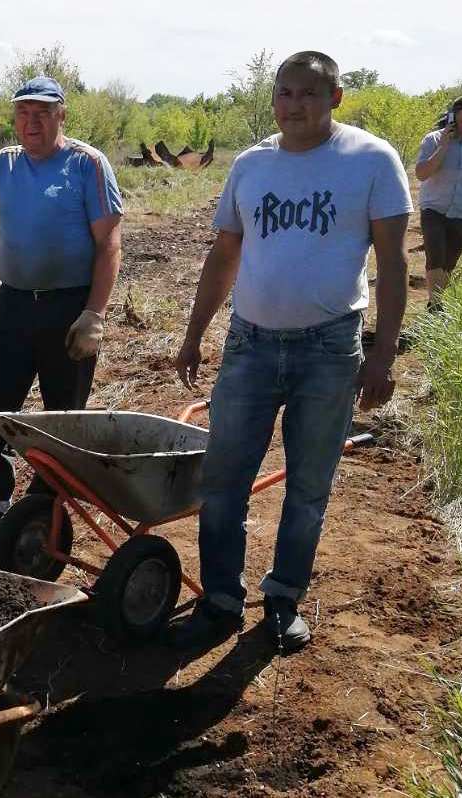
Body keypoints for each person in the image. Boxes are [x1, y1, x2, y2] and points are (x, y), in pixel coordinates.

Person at [172, 51, 412, 652]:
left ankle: (282, 599)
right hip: (250, 343)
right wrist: (196, 331)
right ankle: (222, 599)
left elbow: (392, 262)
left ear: (335, 98)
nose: (293, 105)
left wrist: (381, 355)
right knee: (224, 479)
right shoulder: (252, 165)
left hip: (329, 347)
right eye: (284, 92)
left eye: (308, 93)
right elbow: (224, 254)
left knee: (308, 485)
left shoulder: (371, 160)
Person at [0, 76, 124, 544]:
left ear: (62, 115)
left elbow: (109, 243)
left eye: (41, 113)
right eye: (22, 114)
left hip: (69, 308)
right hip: (12, 306)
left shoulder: (87, 165)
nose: (30, 123)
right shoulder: (4, 166)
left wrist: (94, 314)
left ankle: (44, 509)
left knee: (63, 416)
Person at [415, 96, 462, 309]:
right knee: (435, 257)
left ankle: (438, 303)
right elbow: (422, 174)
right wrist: (444, 146)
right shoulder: (433, 139)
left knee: (448, 264)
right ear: (454, 115)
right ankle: (435, 306)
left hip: (459, 212)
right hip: (434, 208)